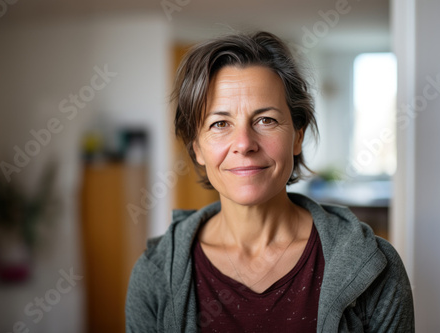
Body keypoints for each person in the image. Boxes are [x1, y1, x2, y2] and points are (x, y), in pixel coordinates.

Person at [125, 31, 414, 332]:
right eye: (220, 123)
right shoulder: (154, 274)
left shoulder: (375, 268)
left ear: (297, 137)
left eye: (266, 120)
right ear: (197, 148)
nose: (244, 143)